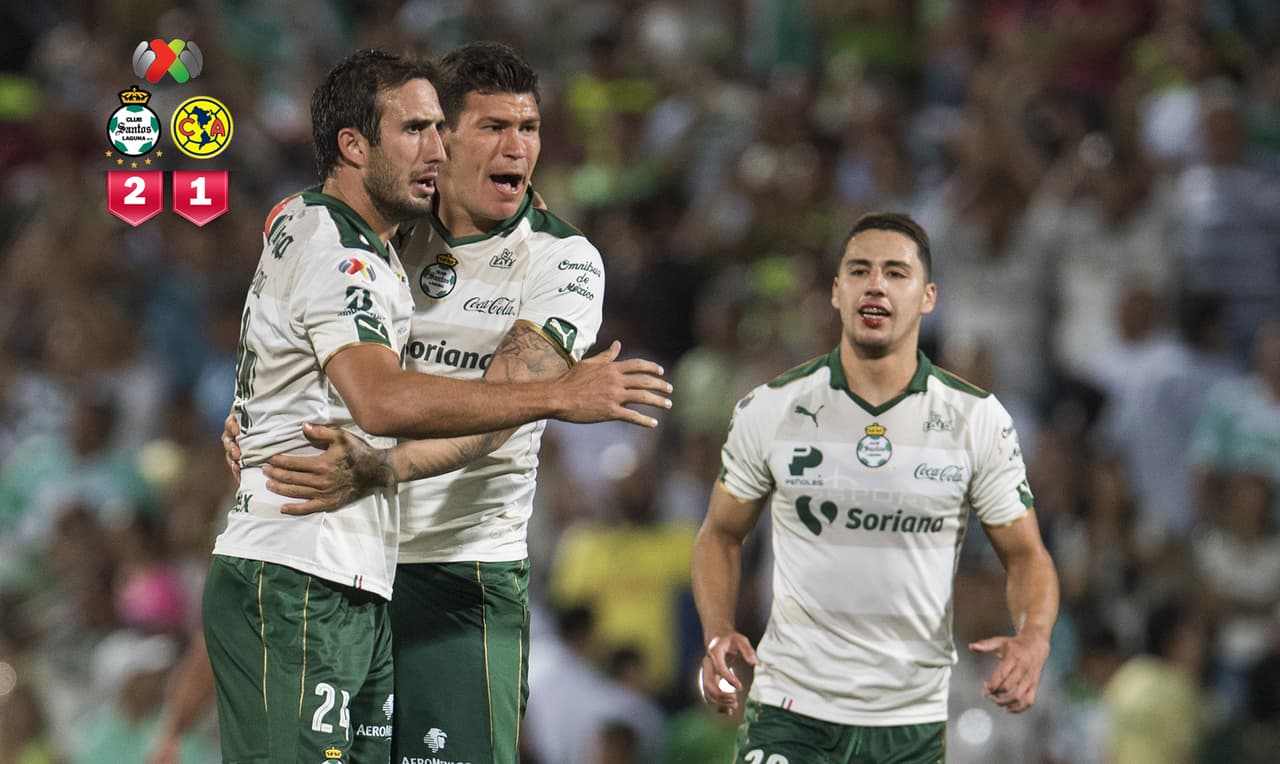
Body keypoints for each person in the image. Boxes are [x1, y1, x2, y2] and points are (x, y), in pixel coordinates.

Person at [204, 48, 670, 763]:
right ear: (439, 140)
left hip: (460, 574)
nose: (518, 147)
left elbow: (502, 408)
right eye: (492, 127)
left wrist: (383, 468)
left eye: (530, 127)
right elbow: (310, 303)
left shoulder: (560, 260)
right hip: (350, 563)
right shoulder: (388, 230)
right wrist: (260, 411)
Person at [691, 212, 1059, 763]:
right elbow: (719, 533)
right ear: (836, 292)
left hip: (909, 721)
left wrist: (1033, 637)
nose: (876, 285)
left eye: (896, 272)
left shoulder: (976, 419)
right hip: (792, 708)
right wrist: (718, 628)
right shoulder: (770, 409)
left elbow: (1026, 555)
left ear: (928, 296)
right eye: (860, 270)